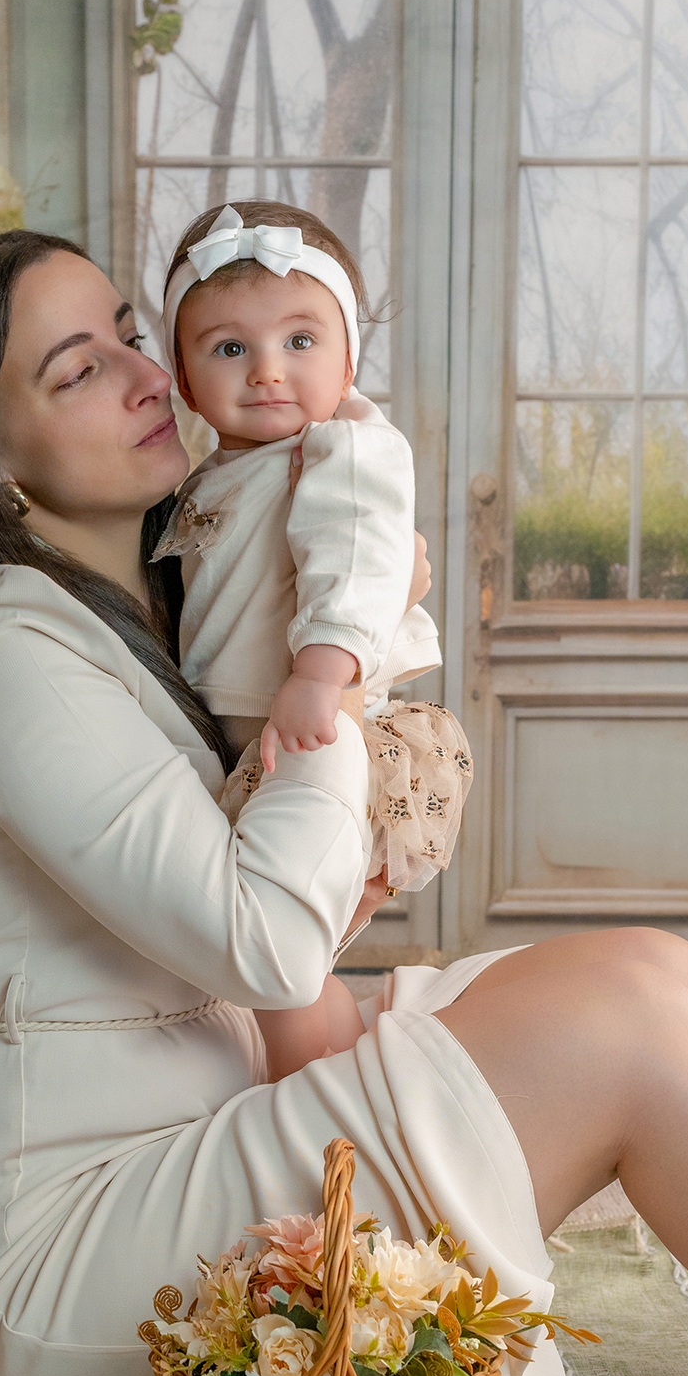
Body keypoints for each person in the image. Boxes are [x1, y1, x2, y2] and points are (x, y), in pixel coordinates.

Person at [0, 227, 688, 1376]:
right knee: (623, 1019)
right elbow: (271, 941)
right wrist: (338, 662)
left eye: (129, 330)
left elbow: (261, 922)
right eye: (77, 371)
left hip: (192, 1117)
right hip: (63, 1264)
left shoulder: (113, 613)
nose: (142, 372)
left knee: (655, 967)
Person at [154, 200, 473, 1077]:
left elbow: (359, 560)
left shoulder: (341, 452)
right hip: (249, 729)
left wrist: (319, 671)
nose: (266, 372)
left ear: (347, 360)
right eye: (229, 349)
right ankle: (349, 1082)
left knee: (279, 977)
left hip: (310, 724)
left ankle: (306, 1102)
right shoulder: (211, 474)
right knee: (285, 971)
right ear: (183, 378)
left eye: (301, 342)